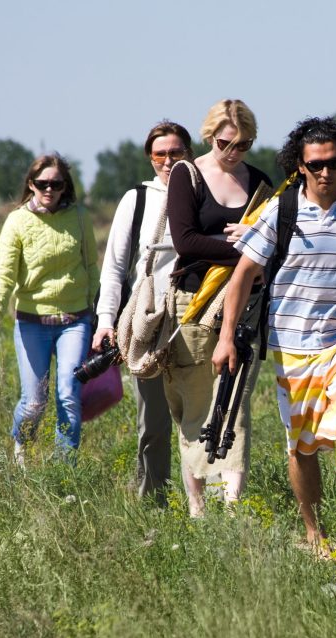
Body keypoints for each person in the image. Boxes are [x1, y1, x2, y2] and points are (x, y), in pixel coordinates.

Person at [213, 117, 336, 559]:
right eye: (316, 165)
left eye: (334, 163)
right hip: (292, 348)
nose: (326, 173)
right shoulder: (282, 210)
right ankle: (313, 534)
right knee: (302, 446)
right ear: (300, 166)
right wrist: (226, 337)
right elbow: (243, 274)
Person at [165, 99, 272, 515]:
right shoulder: (186, 174)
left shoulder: (261, 183)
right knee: (195, 406)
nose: (234, 152)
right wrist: (246, 246)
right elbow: (186, 242)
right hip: (193, 302)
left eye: (244, 145)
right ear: (211, 136)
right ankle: (197, 510)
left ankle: (231, 509)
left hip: (246, 305)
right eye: (227, 143)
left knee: (235, 404)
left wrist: (257, 245)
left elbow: (276, 245)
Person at [93, 120, 192, 503]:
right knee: (152, 420)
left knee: (196, 417)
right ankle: (153, 502)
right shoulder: (136, 199)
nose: (168, 161)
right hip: (146, 323)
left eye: (176, 152)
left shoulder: (204, 193)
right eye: (160, 154)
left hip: (193, 320)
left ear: (189, 153)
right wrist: (105, 322)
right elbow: (115, 268)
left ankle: (202, 504)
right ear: (150, 158)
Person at [0, 154, 99, 467]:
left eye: (56, 184)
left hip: (75, 321)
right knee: (34, 402)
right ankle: (21, 446)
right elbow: (4, 273)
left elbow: (91, 265)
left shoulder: (78, 216)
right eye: (42, 183)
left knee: (68, 395)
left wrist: (99, 311)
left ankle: (64, 470)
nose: (49, 189)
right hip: (32, 322)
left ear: (65, 186)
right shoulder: (17, 221)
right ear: (31, 184)